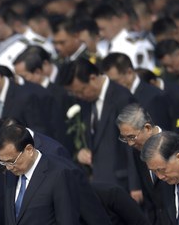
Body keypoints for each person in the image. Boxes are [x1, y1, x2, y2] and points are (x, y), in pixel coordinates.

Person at [57, 58, 139, 196]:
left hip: (122, 183)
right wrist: (81, 152)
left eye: (81, 90)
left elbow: (133, 144)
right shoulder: (86, 103)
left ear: (93, 78)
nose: (79, 96)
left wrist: (135, 185)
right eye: (75, 93)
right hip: (97, 182)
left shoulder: (122, 98)